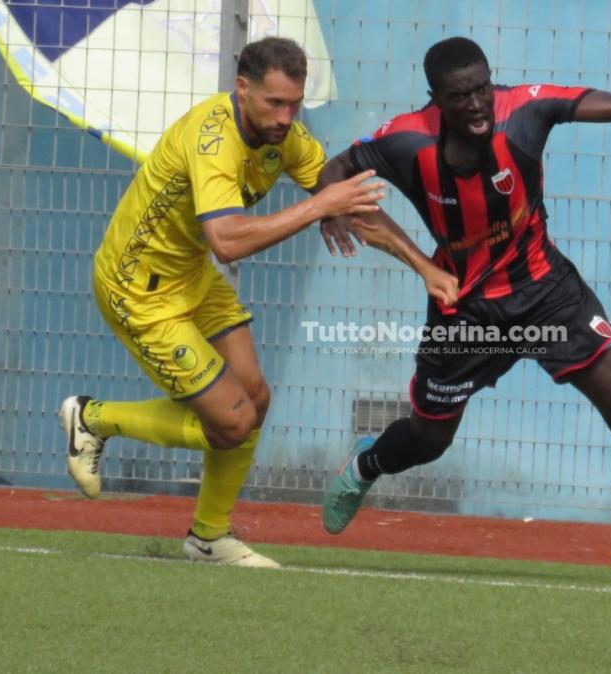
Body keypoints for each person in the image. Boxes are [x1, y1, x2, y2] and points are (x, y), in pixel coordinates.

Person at [314, 36, 611, 536]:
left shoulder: (526, 110)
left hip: (547, 295)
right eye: (460, 96)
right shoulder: (406, 140)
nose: (477, 104)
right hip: (463, 309)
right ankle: (364, 467)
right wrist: (332, 207)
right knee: (429, 440)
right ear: (435, 100)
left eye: (482, 89)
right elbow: (334, 172)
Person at [58, 37, 448, 568]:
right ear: (242, 90)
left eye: (295, 104)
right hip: (138, 289)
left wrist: (423, 266)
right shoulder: (213, 140)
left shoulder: (282, 137)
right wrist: (318, 208)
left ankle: (208, 537)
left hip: (191, 275)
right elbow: (229, 240)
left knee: (255, 400)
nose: (287, 117)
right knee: (234, 422)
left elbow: (345, 199)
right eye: (275, 103)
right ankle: (94, 417)